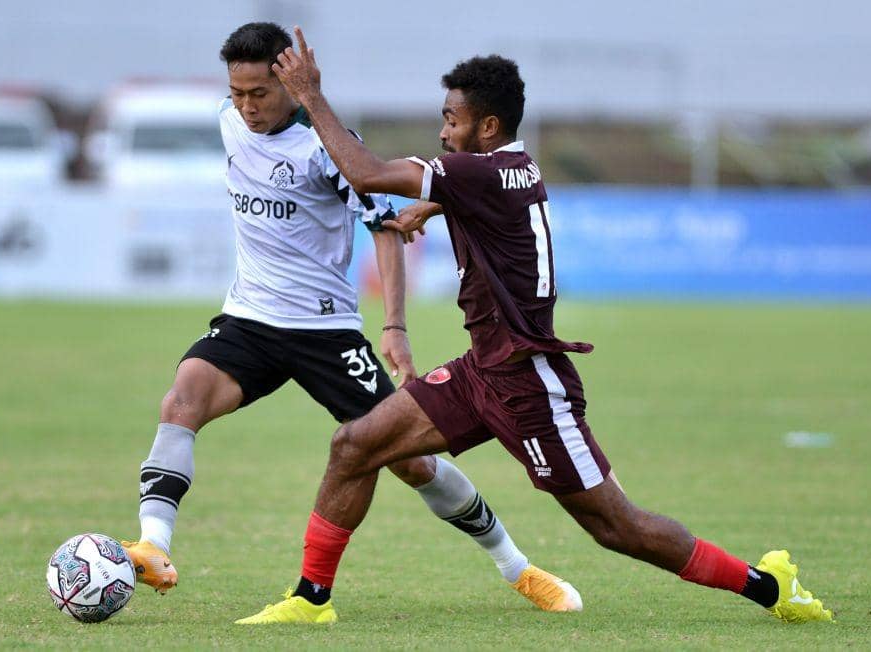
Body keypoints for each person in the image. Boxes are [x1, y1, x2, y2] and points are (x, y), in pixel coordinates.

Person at [237, 27, 833, 625]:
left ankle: (768, 586)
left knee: (615, 526)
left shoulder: (475, 174)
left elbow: (364, 173)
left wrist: (311, 97)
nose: (443, 132)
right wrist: (440, 204)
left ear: (487, 126)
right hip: (482, 372)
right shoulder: (513, 167)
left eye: (452, 118)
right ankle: (311, 599)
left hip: (529, 385)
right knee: (354, 445)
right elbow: (488, 201)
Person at [119, 22, 580, 618]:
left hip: (325, 331)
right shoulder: (228, 122)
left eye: (259, 92)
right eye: (236, 93)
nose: (246, 106)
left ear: (288, 80)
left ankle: (517, 567)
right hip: (250, 318)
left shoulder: (325, 145)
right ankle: (153, 547)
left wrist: (393, 326)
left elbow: (384, 231)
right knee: (181, 401)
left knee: (408, 461)